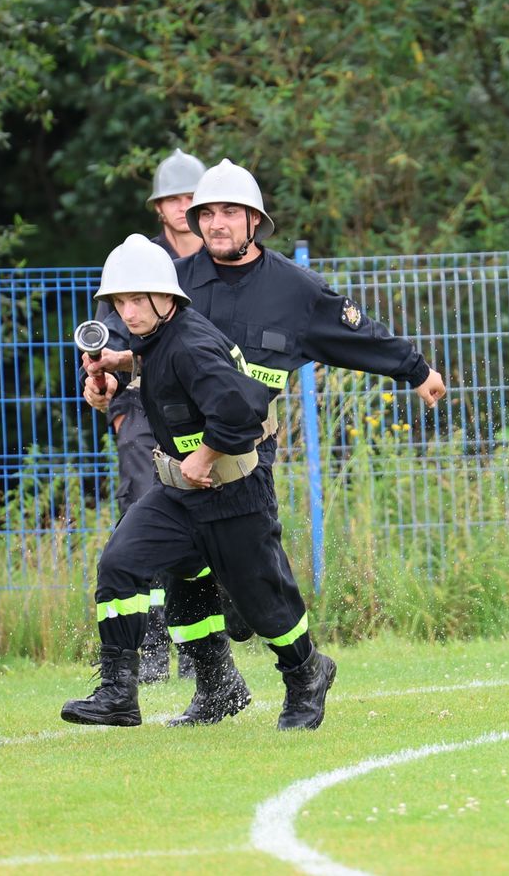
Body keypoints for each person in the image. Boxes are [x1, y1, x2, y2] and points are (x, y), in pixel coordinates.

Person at [63, 234, 337, 730]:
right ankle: (127, 693)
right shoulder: (160, 338)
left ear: (165, 297)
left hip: (234, 496)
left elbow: (244, 411)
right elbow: (160, 369)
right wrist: (114, 373)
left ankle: (307, 673)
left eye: (136, 300)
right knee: (124, 564)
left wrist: (204, 456)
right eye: (119, 302)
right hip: (177, 495)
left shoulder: (192, 344)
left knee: (264, 607)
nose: (126, 312)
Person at [174, 158, 446, 640]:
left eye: (230, 212)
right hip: (176, 450)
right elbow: (127, 338)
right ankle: (211, 678)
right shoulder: (173, 283)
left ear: (254, 221)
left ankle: (299, 662)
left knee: (249, 575)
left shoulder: (294, 289)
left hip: (246, 452)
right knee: (179, 563)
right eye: (208, 213)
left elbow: (358, 334)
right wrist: (105, 377)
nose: (217, 223)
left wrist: (416, 369)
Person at [96, 148, 206, 681]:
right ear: (159, 207)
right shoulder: (134, 259)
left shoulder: (218, 264)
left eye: (192, 197)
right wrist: (116, 407)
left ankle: (205, 649)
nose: (183, 207)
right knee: (145, 513)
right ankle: (153, 648)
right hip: (143, 409)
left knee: (213, 524)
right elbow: (106, 345)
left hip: (205, 413)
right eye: (173, 199)